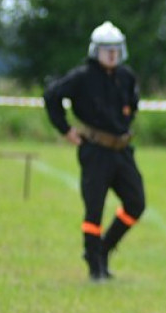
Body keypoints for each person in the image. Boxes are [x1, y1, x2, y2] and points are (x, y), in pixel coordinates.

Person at [44, 21, 145, 282]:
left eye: (116, 49)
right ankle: (94, 265)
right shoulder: (82, 77)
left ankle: (104, 248)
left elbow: (133, 104)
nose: (112, 54)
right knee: (94, 208)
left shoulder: (126, 76)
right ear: (95, 50)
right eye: (106, 49)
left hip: (121, 150)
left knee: (135, 203)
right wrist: (65, 129)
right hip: (95, 152)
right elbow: (51, 96)